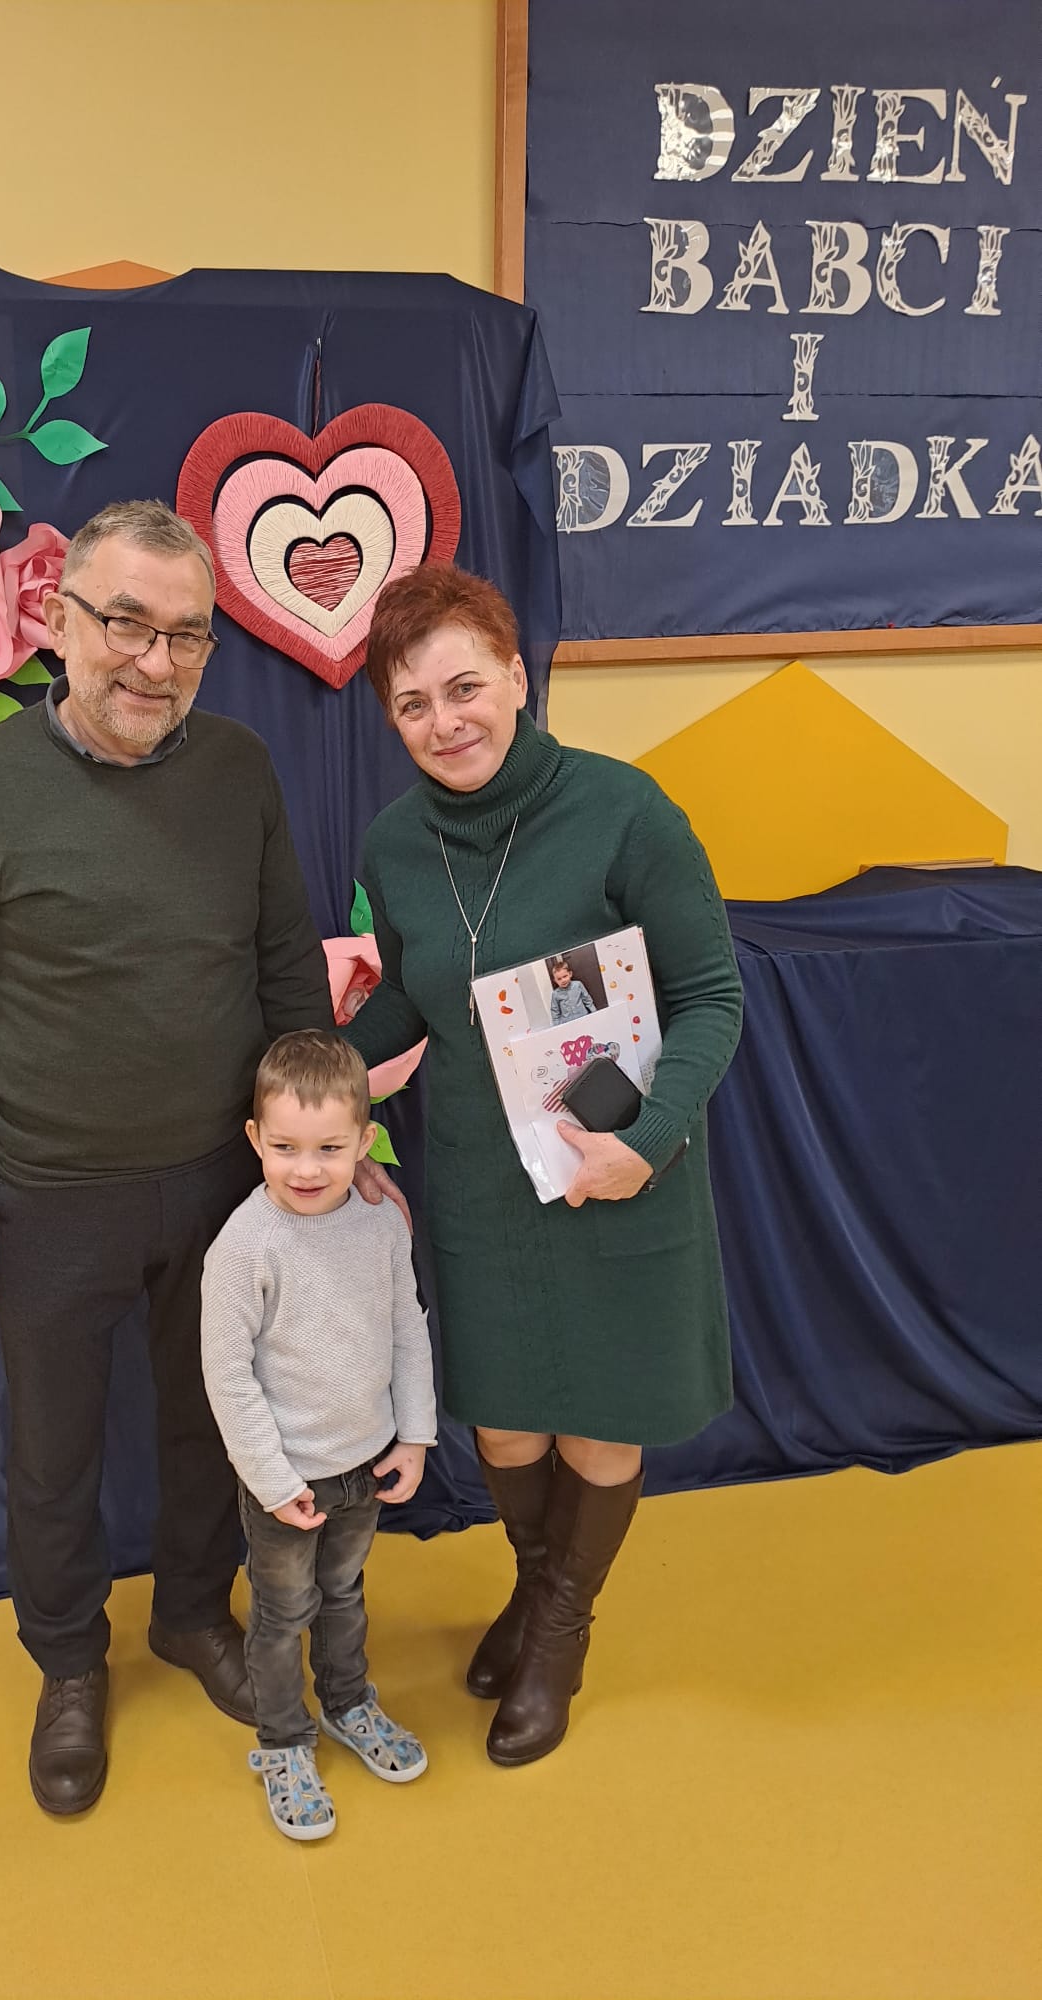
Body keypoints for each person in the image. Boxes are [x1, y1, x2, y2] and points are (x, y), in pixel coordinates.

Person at [0, 500, 392, 1818]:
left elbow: (287, 973)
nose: (153, 661)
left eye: (185, 634)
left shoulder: (239, 769)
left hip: (228, 1188)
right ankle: (68, 1662)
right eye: (123, 622)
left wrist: (334, 1151)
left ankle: (190, 1615)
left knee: (212, 1423)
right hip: (51, 1193)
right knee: (54, 1451)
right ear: (58, 622)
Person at [342, 563, 743, 1767]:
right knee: (508, 1425)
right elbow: (412, 1004)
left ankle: (560, 1630)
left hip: (614, 1169)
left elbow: (711, 995)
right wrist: (315, 1074)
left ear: (518, 677)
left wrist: (643, 1142)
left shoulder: (625, 810)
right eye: (413, 703)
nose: (445, 720)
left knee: (602, 1423)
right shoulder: (395, 843)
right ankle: (532, 1584)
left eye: (465, 686)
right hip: (479, 1180)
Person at [200, 1031, 437, 1840]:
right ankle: (283, 1742)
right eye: (286, 1148)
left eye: (330, 1148)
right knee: (282, 1614)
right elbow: (228, 1379)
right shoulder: (244, 1246)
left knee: (344, 1594)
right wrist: (273, 1483)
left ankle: (347, 1702)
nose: (307, 1168)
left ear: (364, 1142)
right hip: (286, 1481)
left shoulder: (380, 1225)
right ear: (255, 1139)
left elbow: (407, 1330)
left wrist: (414, 1437)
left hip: (364, 1465)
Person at [547, 955, 597, 1025]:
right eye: (559, 979)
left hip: (583, 1017)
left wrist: (595, 1013)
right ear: (555, 981)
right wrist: (557, 1026)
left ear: (570, 974)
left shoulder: (578, 985)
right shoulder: (555, 994)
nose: (563, 980)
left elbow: (587, 999)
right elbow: (555, 1012)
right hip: (568, 1023)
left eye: (565, 976)